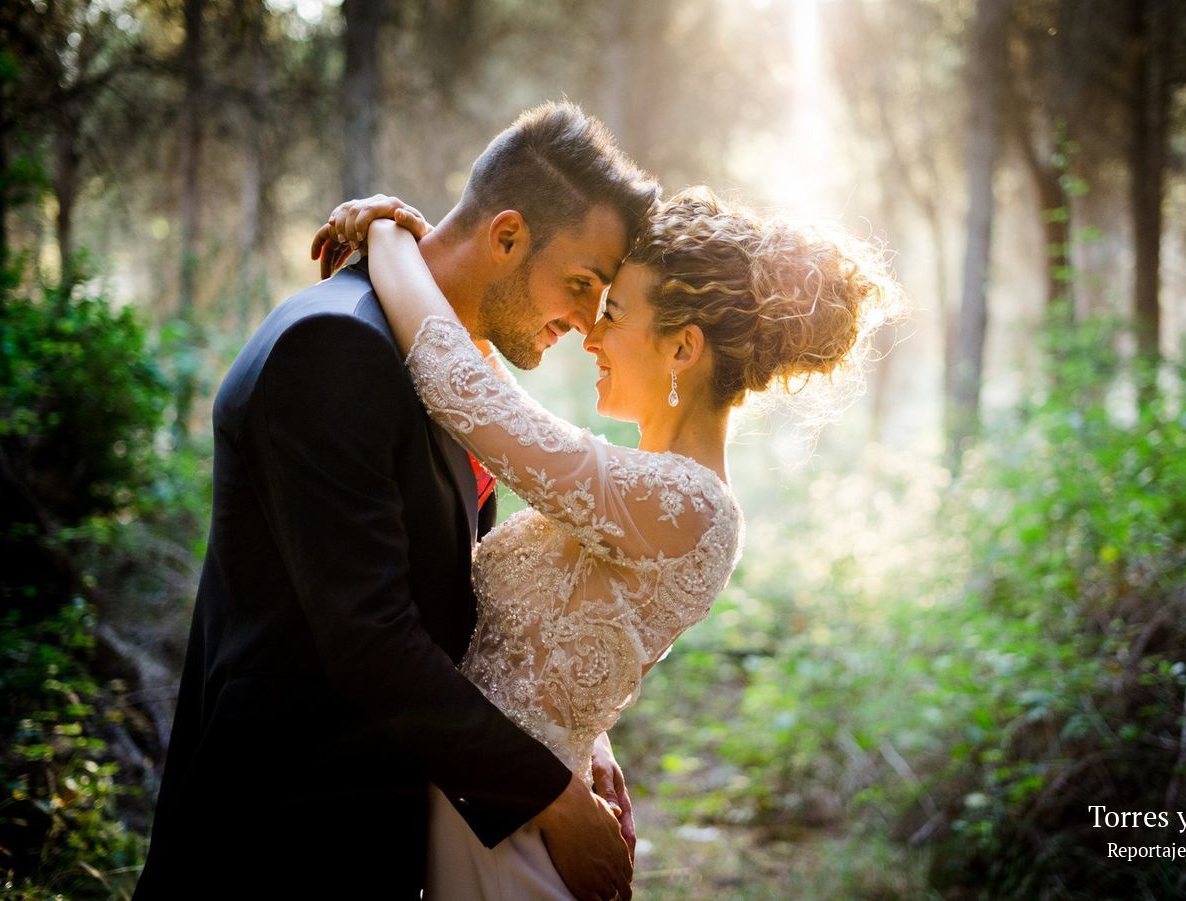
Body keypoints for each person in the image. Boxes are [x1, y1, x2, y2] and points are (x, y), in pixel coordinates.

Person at [313, 183, 902, 898]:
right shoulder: (646, 488)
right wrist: (589, 738)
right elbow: (564, 642)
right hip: (487, 804)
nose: (590, 333)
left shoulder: (689, 505)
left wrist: (387, 233)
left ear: (683, 346)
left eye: (613, 313)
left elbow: (461, 384)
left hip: (509, 843)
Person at [133, 102, 658, 901]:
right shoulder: (335, 345)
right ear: (508, 235)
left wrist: (585, 746)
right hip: (279, 841)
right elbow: (371, 640)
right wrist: (550, 798)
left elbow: (472, 605)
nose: (586, 321)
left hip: (377, 833)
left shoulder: (442, 369)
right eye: (581, 283)